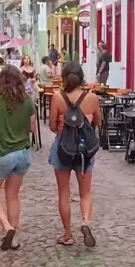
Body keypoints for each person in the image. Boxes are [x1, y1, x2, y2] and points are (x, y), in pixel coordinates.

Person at [0, 66, 36, 250]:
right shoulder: (27, 101)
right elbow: (33, 128)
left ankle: (7, 226)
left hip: (2, 154)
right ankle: (14, 238)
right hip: (22, 154)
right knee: (13, 196)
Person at [49, 62, 101, 248]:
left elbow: (52, 127)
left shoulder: (57, 98)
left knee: (64, 192)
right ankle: (85, 222)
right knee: (85, 192)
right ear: (82, 78)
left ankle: (68, 235)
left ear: (64, 78)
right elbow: (98, 123)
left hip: (63, 148)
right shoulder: (92, 98)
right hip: (84, 150)